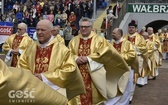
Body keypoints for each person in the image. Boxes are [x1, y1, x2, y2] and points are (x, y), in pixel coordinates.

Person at [17, 20, 85, 101]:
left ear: (51, 31)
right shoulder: (30, 48)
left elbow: (70, 69)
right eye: (37, 29)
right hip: (33, 89)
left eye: (43, 30)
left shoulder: (62, 50)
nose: (39, 32)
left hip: (55, 91)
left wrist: (44, 77)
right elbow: (21, 65)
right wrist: (31, 77)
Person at [68, 17, 130, 105]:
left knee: (95, 99)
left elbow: (106, 54)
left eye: (86, 26)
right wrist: (76, 58)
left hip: (94, 75)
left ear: (91, 27)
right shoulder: (73, 41)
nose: (83, 28)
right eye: (81, 27)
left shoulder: (100, 40)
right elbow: (68, 54)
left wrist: (88, 59)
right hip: (78, 75)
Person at [0, 59, 68, 105]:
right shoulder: (31, 47)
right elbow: (22, 64)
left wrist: (44, 77)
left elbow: (69, 69)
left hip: (52, 90)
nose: (39, 36)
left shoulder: (61, 48)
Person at [109, 28, 137, 105]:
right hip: (113, 70)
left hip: (125, 70)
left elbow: (132, 55)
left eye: (114, 33)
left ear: (119, 34)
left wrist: (119, 56)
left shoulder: (127, 43)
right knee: (112, 88)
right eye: (112, 33)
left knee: (125, 89)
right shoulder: (111, 43)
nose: (112, 34)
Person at [123, 21, 147, 102]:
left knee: (133, 78)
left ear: (136, 29)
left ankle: (130, 96)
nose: (131, 29)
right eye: (130, 27)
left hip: (136, 60)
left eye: (133, 28)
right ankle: (123, 95)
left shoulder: (140, 38)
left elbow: (144, 48)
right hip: (125, 60)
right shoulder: (124, 37)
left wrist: (134, 48)